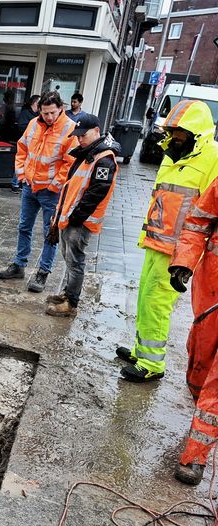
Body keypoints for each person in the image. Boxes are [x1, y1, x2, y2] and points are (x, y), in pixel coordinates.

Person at [115, 100, 218, 383]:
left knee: (157, 302)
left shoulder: (212, 158)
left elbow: (208, 213)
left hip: (178, 250)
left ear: (195, 133)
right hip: (156, 243)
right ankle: (141, 350)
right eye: (170, 131)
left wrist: (188, 261)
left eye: (178, 132)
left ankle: (152, 364)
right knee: (145, 297)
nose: (172, 137)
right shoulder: (174, 155)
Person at [0, 90, 78, 293]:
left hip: (51, 191)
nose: (49, 117)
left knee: (50, 234)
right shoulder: (34, 124)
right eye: (45, 113)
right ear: (39, 111)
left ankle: (43, 272)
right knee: (24, 227)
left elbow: (71, 162)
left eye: (52, 112)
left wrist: (55, 184)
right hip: (30, 186)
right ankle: (19, 264)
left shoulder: (69, 129)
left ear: (61, 108)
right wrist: (22, 173)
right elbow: (22, 148)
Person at [44, 114, 120, 317]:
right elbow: (72, 187)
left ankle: (71, 303)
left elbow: (96, 192)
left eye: (83, 136)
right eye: (77, 136)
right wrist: (60, 215)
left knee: (75, 261)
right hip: (72, 218)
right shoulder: (87, 153)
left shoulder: (103, 158)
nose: (79, 140)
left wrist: (75, 218)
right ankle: (68, 294)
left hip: (81, 221)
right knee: (69, 259)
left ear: (96, 131)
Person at [168, 176, 218, 486]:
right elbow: (199, 222)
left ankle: (195, 455)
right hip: (210, 291)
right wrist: (184, 261)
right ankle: (202, 412)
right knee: (200, 366)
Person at [11, 94, 40, 193]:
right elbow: (21, 126)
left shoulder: (39, 115)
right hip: (26, 141)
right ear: (35, 103)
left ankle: (23, 182)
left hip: (34, 144)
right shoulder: (25, 113)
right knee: (22, 160)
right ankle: (15, 183)